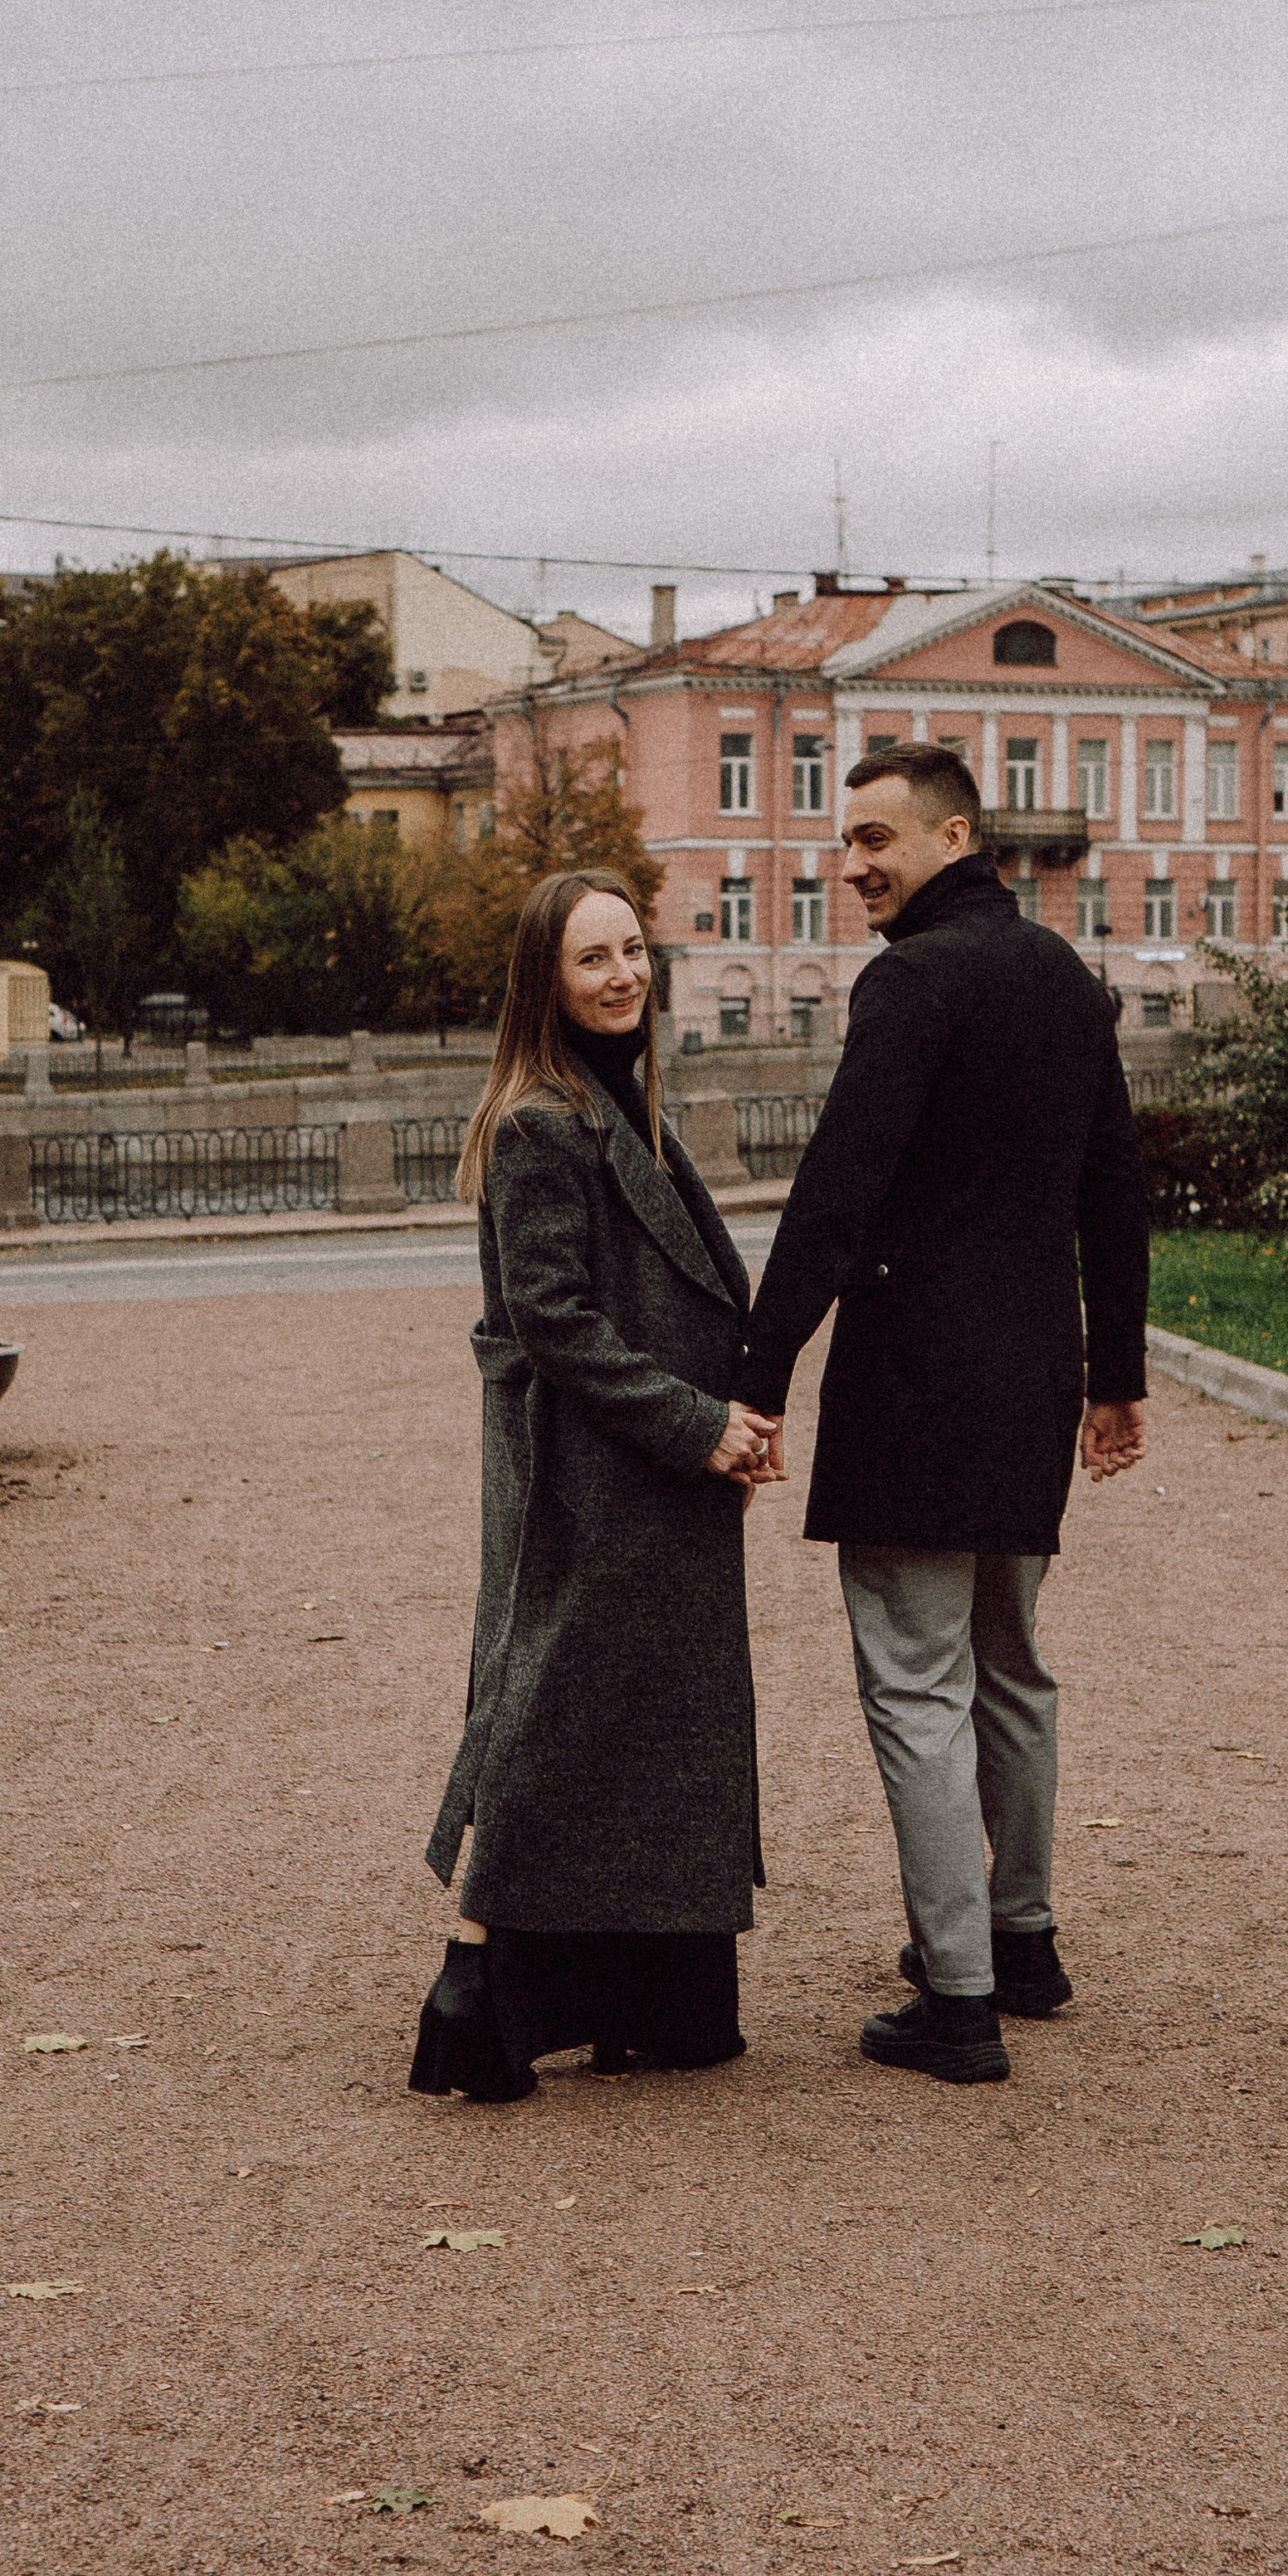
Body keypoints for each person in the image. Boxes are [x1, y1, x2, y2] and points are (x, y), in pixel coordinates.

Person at [738, 744, 1148, 2086]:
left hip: (917, 1379)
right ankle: (1021, 1941)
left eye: (876, 840)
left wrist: (760, 1367)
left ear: (953, 835)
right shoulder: (1065, 980)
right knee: (1011, 1664)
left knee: (917, 1678)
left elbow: (839, 1185)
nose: (852, 865)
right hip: (1031, 1374)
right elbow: (1114, 1190)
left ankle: (958, 1995)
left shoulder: (910, 981)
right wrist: (1116, 1375)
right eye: (844, 843)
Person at [411, 866, 776, 2104]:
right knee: (553, 1710)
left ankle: (646, 2001)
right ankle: (472, 1984)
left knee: (634, 1729)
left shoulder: (620, 1106)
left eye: (633, 952)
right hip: (596, 1475)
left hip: (649, 1469)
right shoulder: (538, 1123)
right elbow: (551, 1321)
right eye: (594, 960)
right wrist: (694, 1425)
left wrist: (723, 1419)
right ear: (546, 983)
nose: (625, 977)